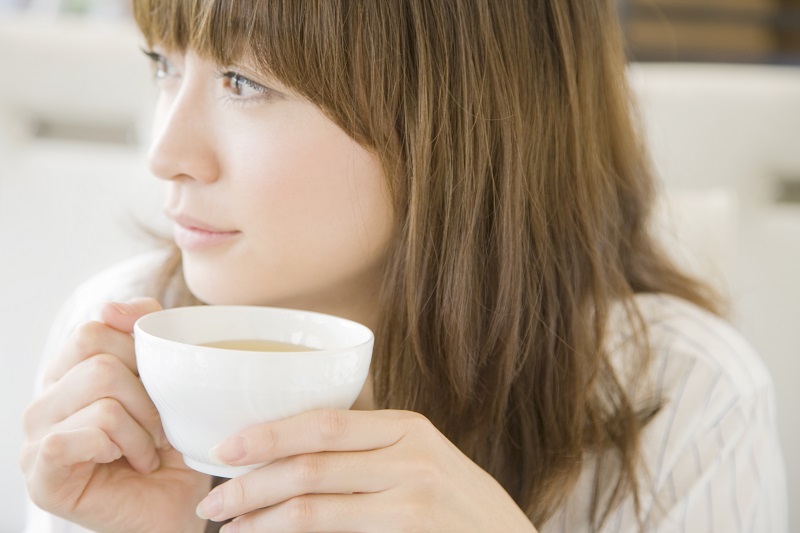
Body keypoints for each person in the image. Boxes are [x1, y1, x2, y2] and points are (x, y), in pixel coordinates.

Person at [21, 1, 788, 532]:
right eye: (163, 64)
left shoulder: (688, 398)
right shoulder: (123, 346)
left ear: (463, 116)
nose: (166, 153)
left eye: (244, 82)